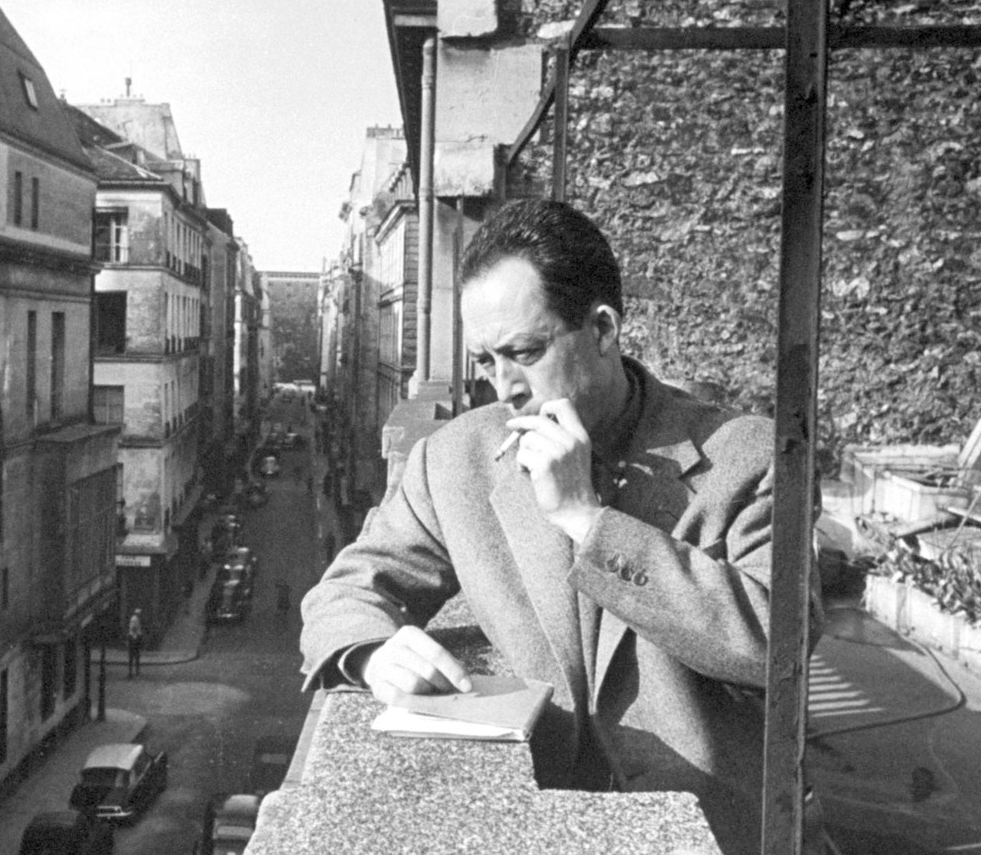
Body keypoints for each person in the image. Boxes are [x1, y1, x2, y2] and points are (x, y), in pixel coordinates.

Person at [298, 197, 822, 855]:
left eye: (525, 352)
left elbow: (779, 647)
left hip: (706, 831)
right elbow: (345, 589)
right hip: (532, 826)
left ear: (602, 329)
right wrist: (375, 654)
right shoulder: (455, 458)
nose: (504, 387)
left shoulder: (748, 456)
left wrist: (585, 518)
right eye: (485, 361)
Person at [126, 608, 144, 678]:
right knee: (134, 655)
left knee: (135, 656)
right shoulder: (134, 619)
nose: (140, 615)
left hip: (134, 637)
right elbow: (133, 628)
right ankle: (132, 672)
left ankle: (135, 671)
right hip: (134, 638)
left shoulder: (136, 619)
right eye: (139, 614)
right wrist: (136, 637)